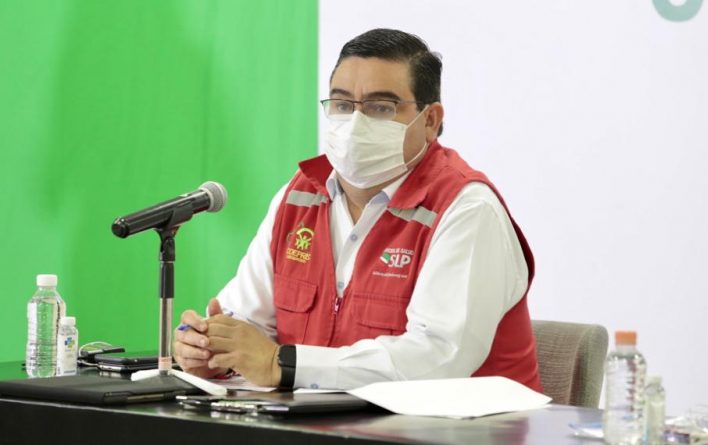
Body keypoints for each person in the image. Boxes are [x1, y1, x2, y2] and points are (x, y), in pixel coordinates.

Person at [174, 28, 542, 392]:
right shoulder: (299, 197)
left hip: (457, 424)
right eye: (342, 105)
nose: (355, 124)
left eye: (381, 107)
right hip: (322, 421)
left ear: (430, 120)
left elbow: (438, 359)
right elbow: (246, 321)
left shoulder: (466, 209)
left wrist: (281, 364)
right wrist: (211, 348)